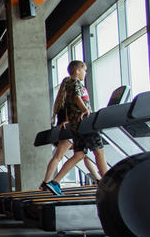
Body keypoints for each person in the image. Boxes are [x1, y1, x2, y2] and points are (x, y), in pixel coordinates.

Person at [43, 60, 108, 196]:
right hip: (85, 123)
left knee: (79, 155)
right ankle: (108, 181)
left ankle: (55, 182)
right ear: (77, 71)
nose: (85, 73)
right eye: (84, 70)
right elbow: (78, 98)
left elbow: (69, 105)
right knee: (99, 151)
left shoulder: (69, 85)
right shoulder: (75, 82)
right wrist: (85, 110)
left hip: (77, 126)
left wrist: (69, 120)